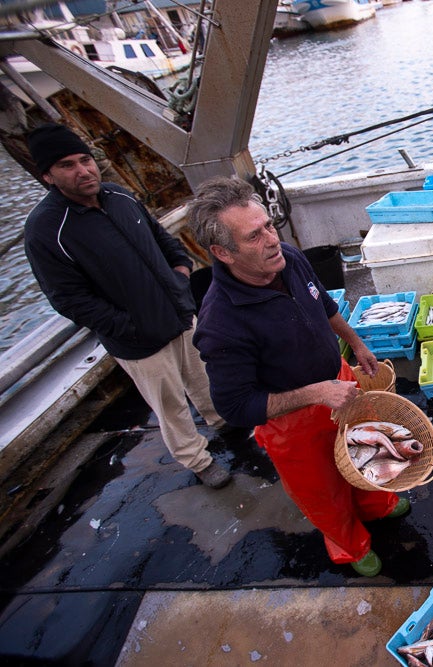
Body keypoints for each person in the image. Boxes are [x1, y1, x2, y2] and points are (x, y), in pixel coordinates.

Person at [187, 176, 408, 577]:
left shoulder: (287, 257)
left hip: (338, 383)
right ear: (223, 252)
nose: (271, 239)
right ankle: (350, 544)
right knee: (323, 491)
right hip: (292, 422)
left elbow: (322, 303)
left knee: (366, 456)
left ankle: (380, 504)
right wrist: (316, 393)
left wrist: (356, 344)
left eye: (269, 225)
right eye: (254, 236)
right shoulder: (220, 324)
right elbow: (235, 406)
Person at [23, 123, 232, 489]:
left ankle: (222, 419)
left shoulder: (120, 196)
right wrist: (130, 326)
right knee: (170, 405)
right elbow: (69, 300)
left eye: (86, 160)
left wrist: (181, 278)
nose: (83, 170)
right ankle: (198, 460)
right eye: (67, 165)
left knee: (206, 374)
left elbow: (162, 240)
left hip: (179, 314)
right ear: (48, 176)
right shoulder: (46, 230)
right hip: (137, 341)